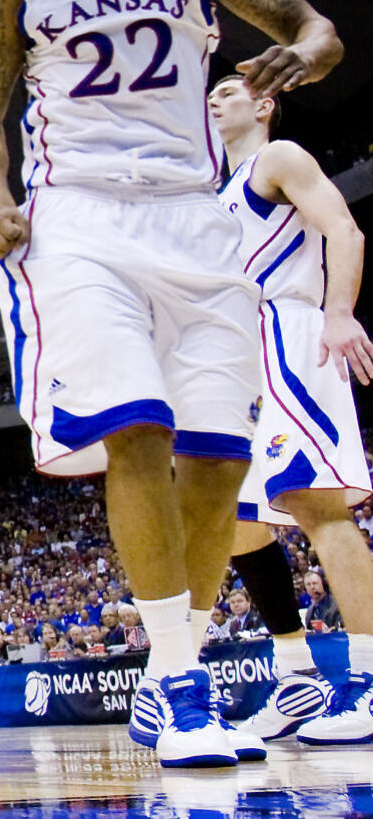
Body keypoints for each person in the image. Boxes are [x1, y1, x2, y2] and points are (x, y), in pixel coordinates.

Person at [0, 0, 342, 769]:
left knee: (216, 468)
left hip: (193, 212)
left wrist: (298, 54)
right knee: (139, 427)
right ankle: (179, 686)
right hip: (79, 213)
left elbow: (315, 28)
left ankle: (180, 658)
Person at [208, 74, 373, 744]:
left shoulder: (278, 158)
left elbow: (345, 228)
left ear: (265, 103)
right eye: (210, 93)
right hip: (238, 353)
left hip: (290, 334)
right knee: (233, 522)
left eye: (229, 89)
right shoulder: (213, 193)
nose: (215, 99)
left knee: (317, 505)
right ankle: (297, 673)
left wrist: (338, 312)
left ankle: (367, 682)